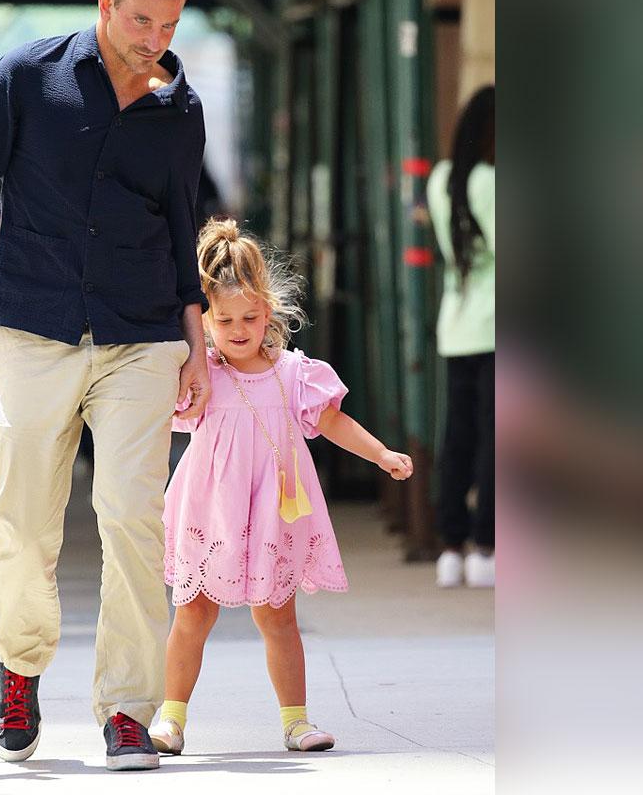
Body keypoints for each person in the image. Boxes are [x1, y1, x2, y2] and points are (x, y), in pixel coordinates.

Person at [0, 0, 210, 771]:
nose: (155, 38)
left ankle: (128, 708)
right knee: (25, 519)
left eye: (171, 23)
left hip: (141, 335)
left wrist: (197, 344)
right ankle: (20, 666)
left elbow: (184, 227)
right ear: (105, 4)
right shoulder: (28, 77)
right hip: (32, 330)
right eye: (142, 20)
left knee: (133, 518)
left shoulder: (180, 107)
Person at [147, 219, 414, 756]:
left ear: (268, 311)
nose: (239, 328)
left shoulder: (296, 374)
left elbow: (334, 421)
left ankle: (296, 721)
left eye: (249, 316)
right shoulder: (199, 374)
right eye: (224, 320)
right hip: (213, 508)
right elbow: (154, 416)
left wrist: (381, 454)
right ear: (205, 320)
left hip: (275, 510)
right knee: (194, 611)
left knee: (278, 615)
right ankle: (170, 718)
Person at [427, 85, 496, 589]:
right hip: (495, 324)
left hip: (457, 323)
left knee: (459, 437)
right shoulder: (491, 182)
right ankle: (487, 545)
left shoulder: (441, 178)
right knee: (497, 441)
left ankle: (450, 545)